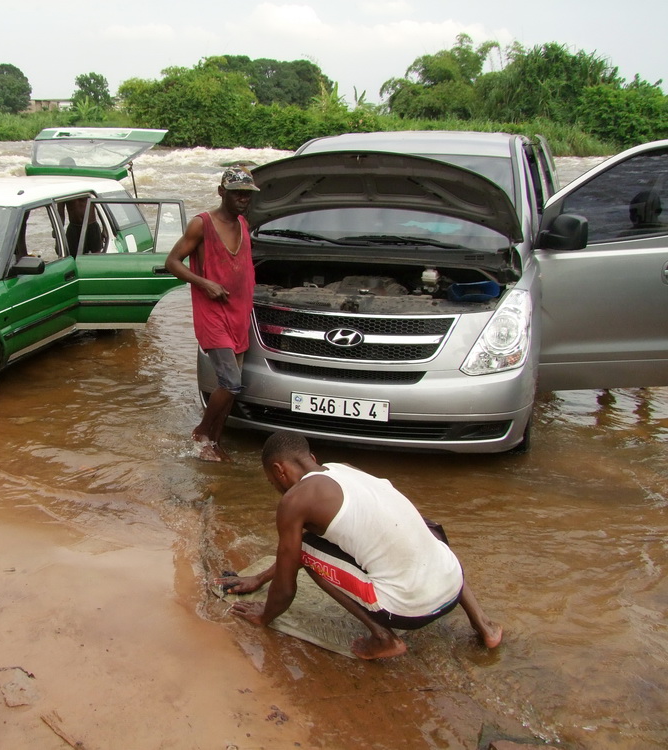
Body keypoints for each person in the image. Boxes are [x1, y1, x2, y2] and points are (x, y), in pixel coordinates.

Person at [217, 431, 503, 659]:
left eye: (271, 481)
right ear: (312, 458)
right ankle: (484, 625)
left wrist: (265, 615)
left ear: (279, 470)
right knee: (427, 531)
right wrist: (259, 577)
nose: (276, 488)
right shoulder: (345, 470)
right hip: (452, 585)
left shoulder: (295, 501)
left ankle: (384, 637)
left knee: (304, 548)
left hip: (410, 609)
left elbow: (288, 582)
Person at [166, 166, 259, 462]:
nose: (243, 199)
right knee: (230, 382)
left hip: (239, 315)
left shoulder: (244, 223)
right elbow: (172, 262)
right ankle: (202, 432)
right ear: (222, 193)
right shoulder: (201, 224)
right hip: (212, 315)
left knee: (229, 390)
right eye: (237, 194)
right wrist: (203, 282)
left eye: (247, 194)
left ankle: (214, 444)